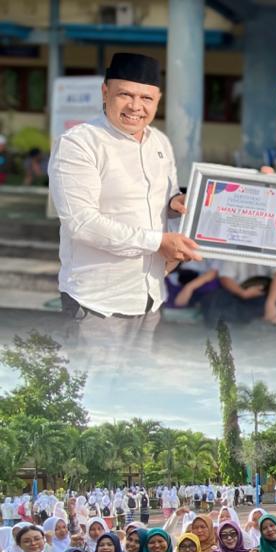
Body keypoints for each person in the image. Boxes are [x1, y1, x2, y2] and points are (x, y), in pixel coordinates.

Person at [48, 52, 200, 357]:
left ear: (158, 99)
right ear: (105, 92)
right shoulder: (79, 144)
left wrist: (176, 203)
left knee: (136, 395)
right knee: (94, 400)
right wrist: (158, 242)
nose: (136, 106)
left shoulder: (159, 142)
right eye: (125, 95)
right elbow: (82, 223)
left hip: (151, 296)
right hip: (98, 303)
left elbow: (166, 198)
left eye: (146, 97)